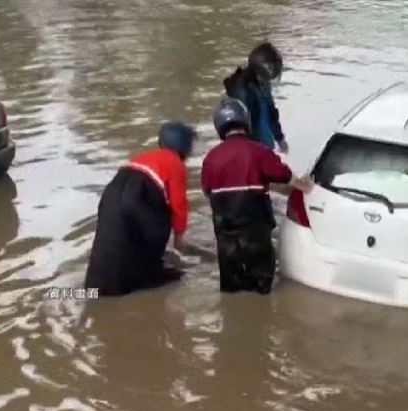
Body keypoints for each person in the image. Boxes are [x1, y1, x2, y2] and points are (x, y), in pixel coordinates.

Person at [201, 98, 312, 294]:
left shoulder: (211, 157)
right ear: (246, 121)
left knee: (230, 288)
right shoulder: (259, 151)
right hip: (255, 230)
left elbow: (206, 191)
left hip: (226, 233)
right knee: (261, 284)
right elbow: (286, 176)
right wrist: (307, 186)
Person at [84, 122, 196, 296]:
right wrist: (179, 237)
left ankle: (93, 290)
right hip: (140, 197)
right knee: (158, 233)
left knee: (108, 248)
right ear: (186, 148)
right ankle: (149, 277)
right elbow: (179, 204)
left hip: (111, 195)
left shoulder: (142, 156)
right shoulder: (175, 163)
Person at [222, 42, 289, 153]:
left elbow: (271, 113)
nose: (267, 81)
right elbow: (240, 127)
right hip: (250, 149)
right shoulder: (242, 90)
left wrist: (280, 138)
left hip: (264, 144)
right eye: (265, 77)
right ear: (256, 72)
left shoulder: (263, 86)